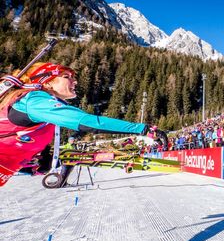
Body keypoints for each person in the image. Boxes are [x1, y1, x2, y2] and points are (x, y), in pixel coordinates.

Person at [0, 62, 156, 187]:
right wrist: (142, 128)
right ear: (47, 83)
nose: (75, 81)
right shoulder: (35, 100)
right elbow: (87, 122)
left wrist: (32, 166)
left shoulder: (42, 112)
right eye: (67, 76)